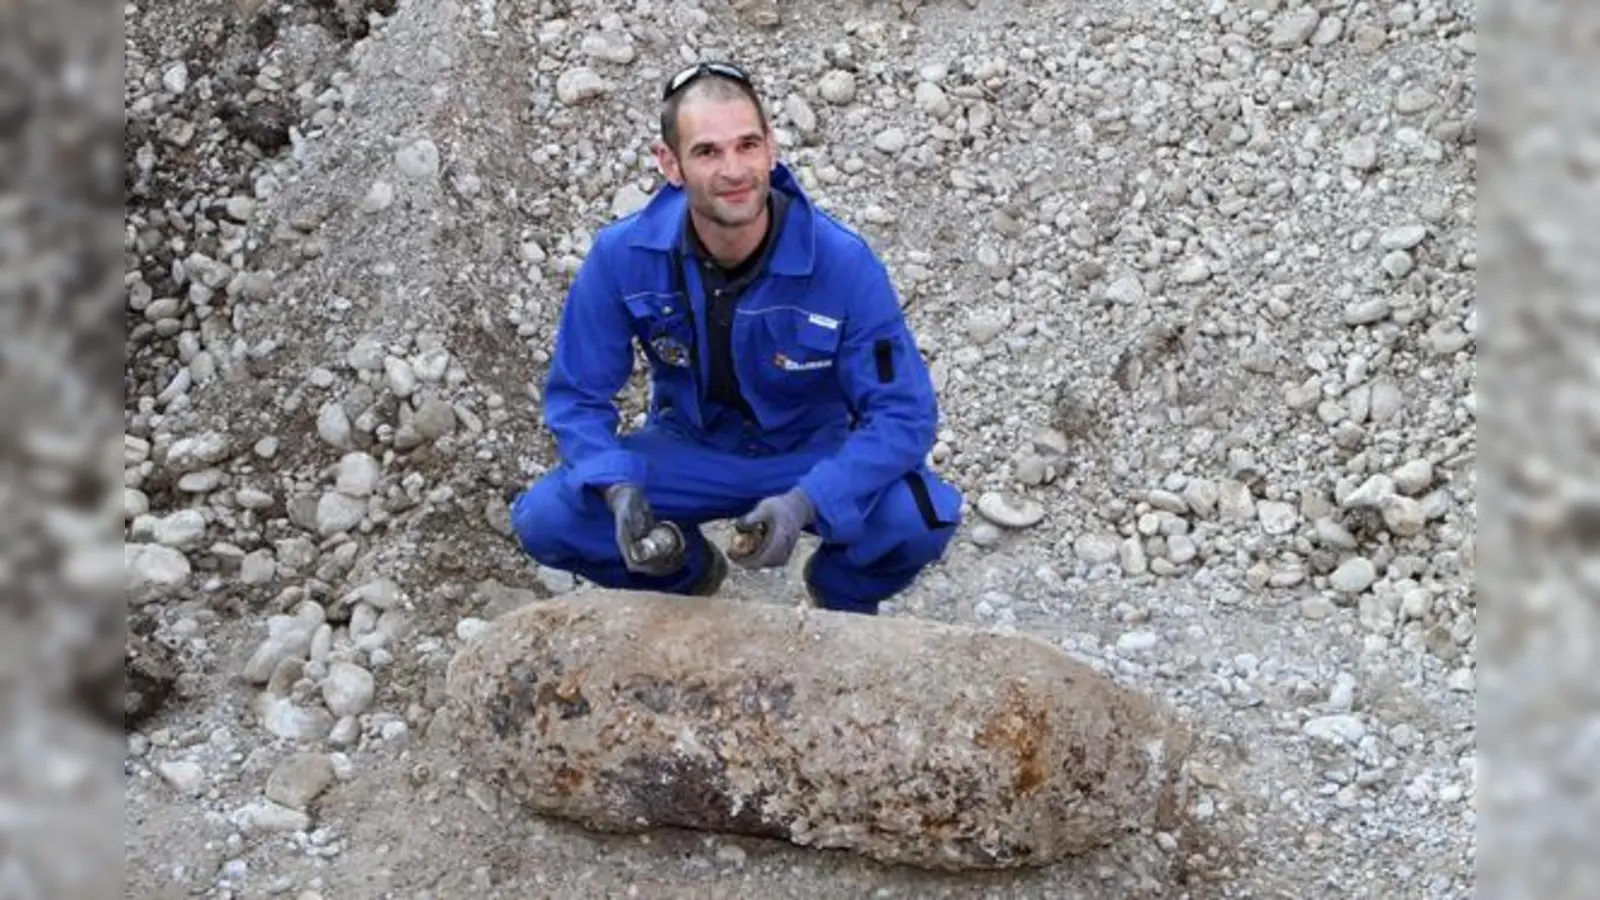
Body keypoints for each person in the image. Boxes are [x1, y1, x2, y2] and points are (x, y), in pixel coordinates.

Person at [508, 60, 963, 615]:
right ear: (669, 163)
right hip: (689, 449)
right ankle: (686, 574)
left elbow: (903, 415)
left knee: (920, 517)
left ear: (772, 148)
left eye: (748, 145)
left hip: (810, 452)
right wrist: (616, 487)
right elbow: (578, 398)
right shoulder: (623, 257)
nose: (734, 169)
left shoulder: (843, 264)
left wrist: (808, 500)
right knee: (548, 519)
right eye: (707, 151)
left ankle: (840, 594)